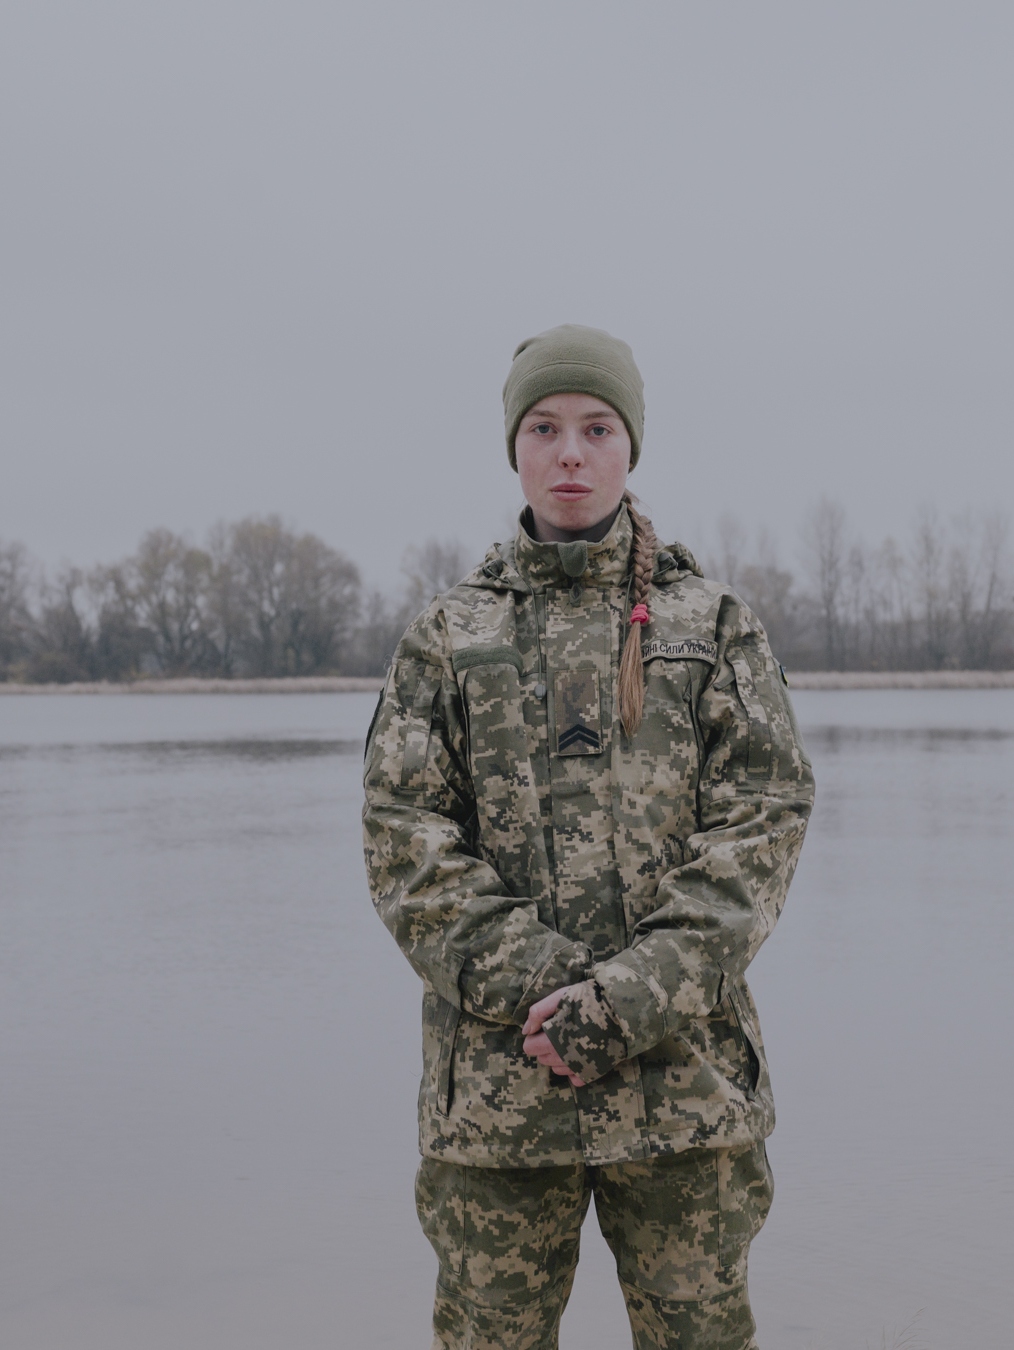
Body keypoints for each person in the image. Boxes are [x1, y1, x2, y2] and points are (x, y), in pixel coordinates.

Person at [362, 323, 814, 1350]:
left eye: (597, 427)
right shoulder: (449, 637)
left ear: (630, 446)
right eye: (547, 428)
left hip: (684, 1098)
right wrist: (552, 989)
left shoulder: (712, 627)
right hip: (499, 1108)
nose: (572, 452)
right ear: (515, 448)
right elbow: (404, 845)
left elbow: (761, 836)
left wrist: (623, 1001)